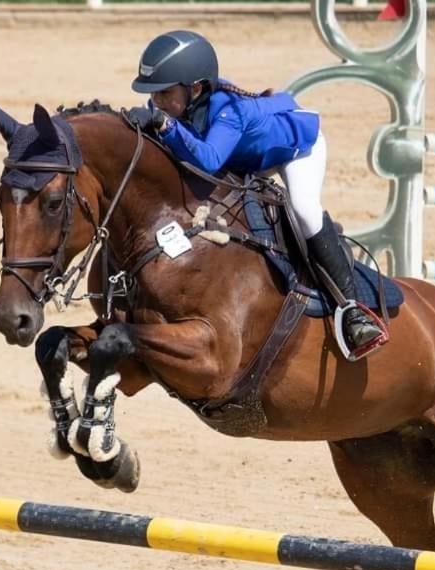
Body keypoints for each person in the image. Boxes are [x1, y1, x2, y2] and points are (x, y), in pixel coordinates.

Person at [126, 30, 384, 356]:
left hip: (293, 150)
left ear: (195, 88)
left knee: (303, 208)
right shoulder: (178, 103)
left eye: (164, 93)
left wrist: (165, 126)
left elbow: (209, 159)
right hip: (243, 157)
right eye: (154, 95)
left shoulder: (229, 111)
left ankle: (352, 307)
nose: (156, 102)